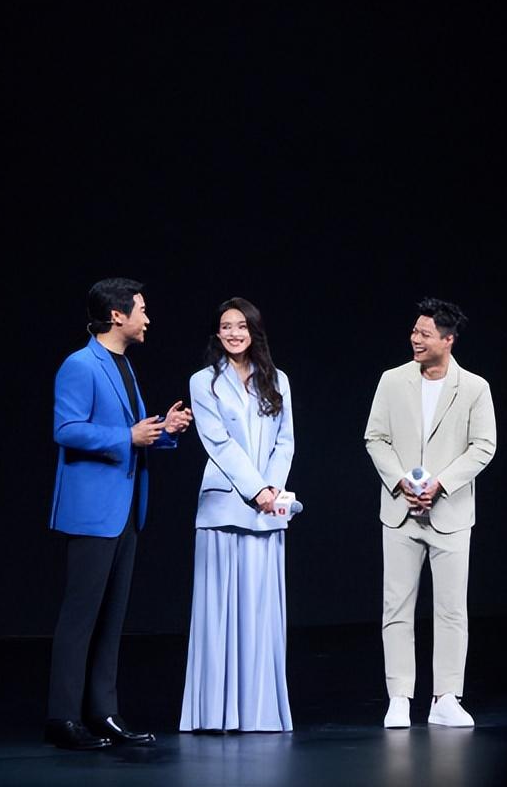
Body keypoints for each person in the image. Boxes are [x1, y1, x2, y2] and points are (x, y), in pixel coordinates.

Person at [45, 278, 192, 750]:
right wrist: (127, 437)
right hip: (93, 511)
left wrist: (164, 430)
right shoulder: (80, 364)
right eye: (141, 310)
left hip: (126, 510)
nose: (147, 319)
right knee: (81, 617)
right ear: (117, 315)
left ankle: (103, 712)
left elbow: (133, 432)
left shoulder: (123, 364)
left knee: (112, 618)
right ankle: (63, 718)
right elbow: (67, 429)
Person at [365, 298, 496, 728]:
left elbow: (484, 446)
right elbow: (375, 438)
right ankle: (399, 697)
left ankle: (446, 697)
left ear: (448, 339)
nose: (415, 339)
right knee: (396, 607)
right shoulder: (392, 380)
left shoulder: (474, 388)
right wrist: (402, 481)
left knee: (452, 609)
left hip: (450, 513)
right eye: (414, 332)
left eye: (424, 334)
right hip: (400, 511)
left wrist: (441, 483)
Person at [180, 298, 297, 733]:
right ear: (217, 333)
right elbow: (218, 442)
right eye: (226, 326)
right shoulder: (203, 382)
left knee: (261, 612)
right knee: (218, 613)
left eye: (241, 326)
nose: (234, 333)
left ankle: (260, 712)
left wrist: (272, 490)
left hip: (267, 510)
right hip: (223, 509)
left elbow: (285, 441)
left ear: (254, 331)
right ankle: (214, 713)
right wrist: (257, 489)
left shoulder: (278, 380)